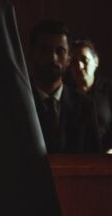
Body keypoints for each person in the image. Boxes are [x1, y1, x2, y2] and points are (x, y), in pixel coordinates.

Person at [27, 20, 100, 153]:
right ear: (32, 54)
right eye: (45, 50)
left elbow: (95, 161)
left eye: (60, 51)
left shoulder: (84, 106)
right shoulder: (17, 103)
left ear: (68, 58)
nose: (53, 58)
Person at [68, 37, 112, 153]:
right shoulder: (66, 93)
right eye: (74, 62)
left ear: (96, 61)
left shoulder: (108, 89)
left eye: (84, 60)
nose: (79, 66)